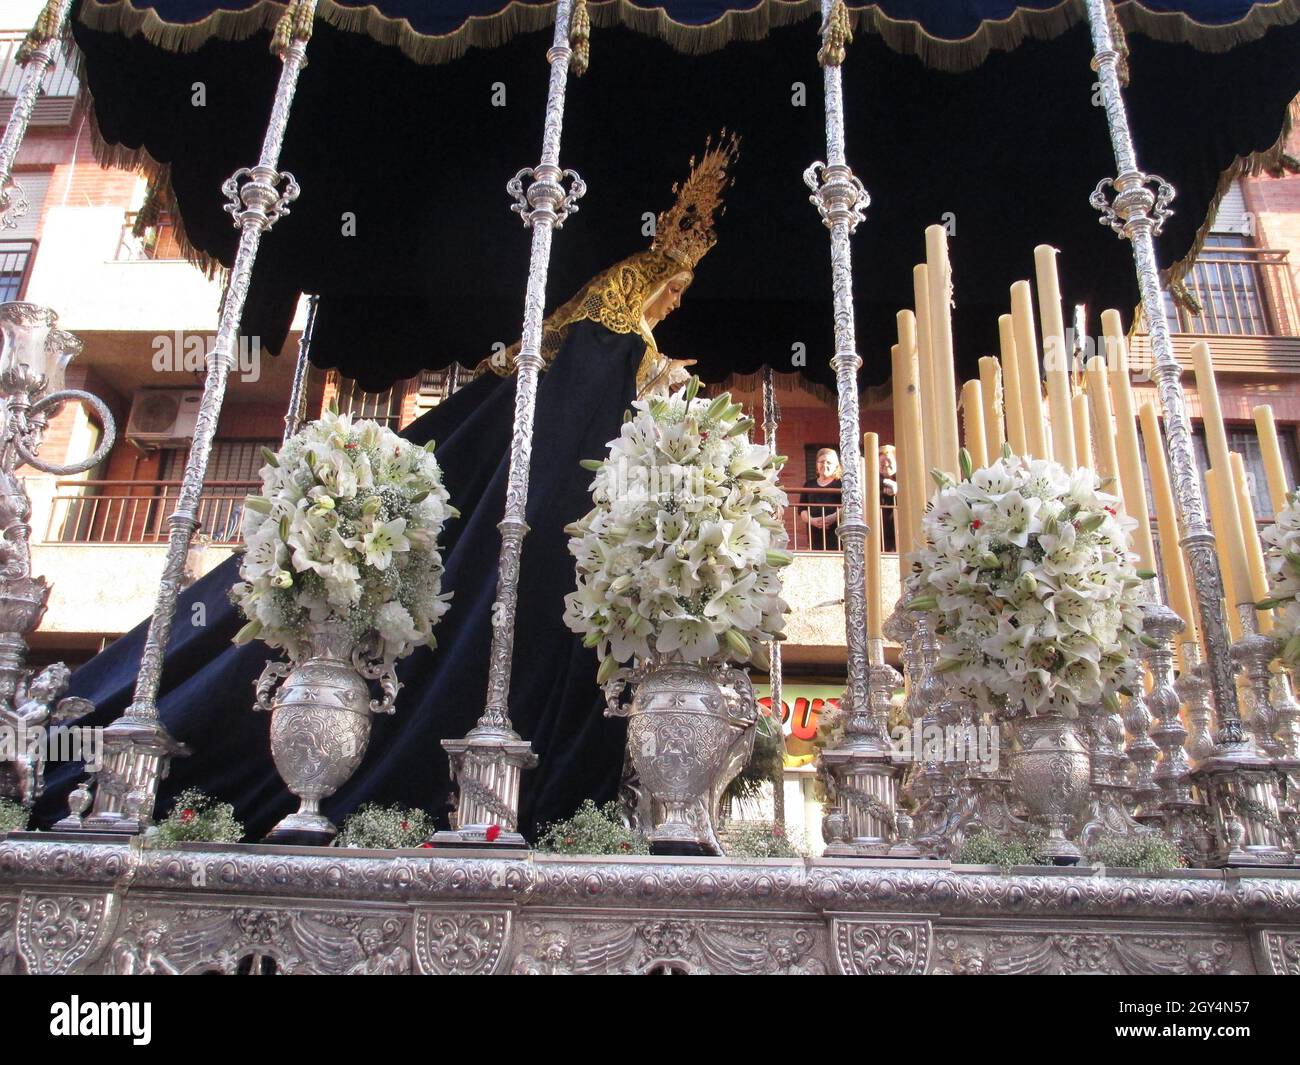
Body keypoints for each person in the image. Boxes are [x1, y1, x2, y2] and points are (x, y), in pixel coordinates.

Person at [34, 135, 739, 842]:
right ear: (639, 282)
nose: (673, 301)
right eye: (669, 286)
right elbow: (584, 419)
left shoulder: (615, 358)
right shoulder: (605, 349)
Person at [800, 447, 843, 551]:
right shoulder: (809, 484)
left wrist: (832, 518)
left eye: (829, 462)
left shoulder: (841, 484)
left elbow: (848, 507)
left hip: (837, 534)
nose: (825, 465)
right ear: (817, 464)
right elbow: (802, 510)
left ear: (836, 466)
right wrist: (812, 521)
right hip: (815, 534)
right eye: (821, 462)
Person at [879, 443, 898, 552]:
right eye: (881, 462)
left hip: (899, 528)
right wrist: (886, 482)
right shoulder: (873, 478)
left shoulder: (904, 477)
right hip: (879, 529)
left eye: (889, 461)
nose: (885, 464)